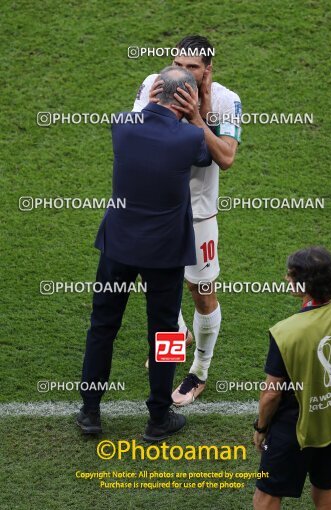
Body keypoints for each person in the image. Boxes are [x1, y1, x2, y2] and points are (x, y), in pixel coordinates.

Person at [77, 66, 211, 441]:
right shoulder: (188, 138)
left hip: (118, 247)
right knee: (165, 335)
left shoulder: (122, 124)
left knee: (103, 327)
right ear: (186, 99)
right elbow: (209, 153)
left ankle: (90, 412)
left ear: (154, 92)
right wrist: (197, 114)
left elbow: (137, 116)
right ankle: (157, 417)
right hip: (165, 254)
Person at [133, 35, 242, 405]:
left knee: (201, 292)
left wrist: (199, 118)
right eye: (179, 64)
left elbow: (226, 158)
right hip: (157, 208)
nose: (183, 73)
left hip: (198, 214)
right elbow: (133, 139)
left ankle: (200, 371)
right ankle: (176, 339)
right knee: (157, 285)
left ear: (208, 70)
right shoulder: (155, 85)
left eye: (192, 68)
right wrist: (150, 110)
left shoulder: (227, 100)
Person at [253, 246, 331, 510]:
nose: (285, 278)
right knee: (325, 491)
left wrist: (261, 427)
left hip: (295, 428)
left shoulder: (286, 333)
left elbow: (271, 394)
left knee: (265, 496)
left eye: (290, 274)